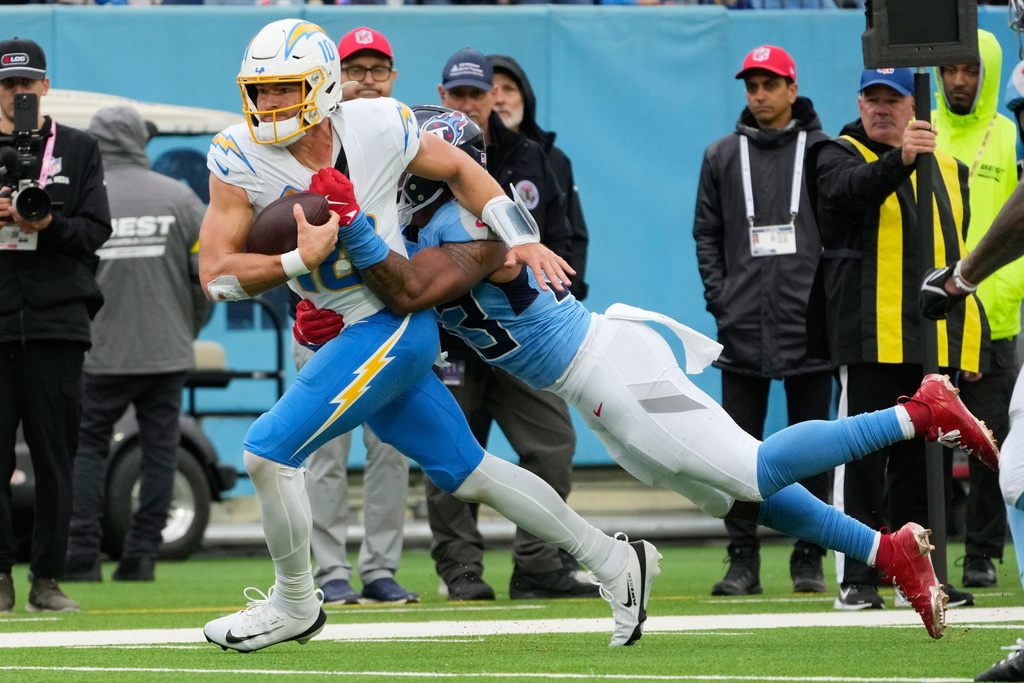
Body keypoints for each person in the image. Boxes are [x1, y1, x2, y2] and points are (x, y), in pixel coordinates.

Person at [294, 104, 1005, 643]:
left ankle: (919, 412)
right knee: (742, 496)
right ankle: (885, 550)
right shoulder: (421, 225)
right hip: (590, 384)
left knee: (754, 471)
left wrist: (345, 249)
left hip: (609, 369)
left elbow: (412, 288)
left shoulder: (462, 226)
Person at [198, 19, 657, 653]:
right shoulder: (235, 154)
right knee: (471, 471)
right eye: (261, 90)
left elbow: (465, 173)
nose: (270, 104)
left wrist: (520, 233)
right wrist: (295, 267)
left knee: (267, 452)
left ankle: (296, 602)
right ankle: (613, 561)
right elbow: (216, 277)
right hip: (347, 331)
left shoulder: (378, 123)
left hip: (394, 325)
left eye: (285, 89)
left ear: (324, 86)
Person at [806, 67, 989, 612]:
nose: (881, 109)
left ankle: (923, 574)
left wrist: (965, 341)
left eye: (894, 99)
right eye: (872, 99)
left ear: (915, 106)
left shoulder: (951, 170)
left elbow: (958, 259)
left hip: (929, 339)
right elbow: (847, 194)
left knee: (924, 466)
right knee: (862, 460)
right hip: (867, 336)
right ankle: (856, 577)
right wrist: (902, 160)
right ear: (858, 103)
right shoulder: (834, 153)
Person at [432, 47, 595, 601]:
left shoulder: (530, 156)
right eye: (460, 94)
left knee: (553, 444)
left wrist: (558, 301)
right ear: (442, 97)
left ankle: (538, 565)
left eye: (479, 94)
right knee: (450, 452)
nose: (473, 104)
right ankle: (461, 571)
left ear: (493, 98)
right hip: (452, 339)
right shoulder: (423, 157)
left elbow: (563, 236)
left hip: (523, 338)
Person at [692, 45, 833, 597]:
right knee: (736, 452)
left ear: (792, 90)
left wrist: (827, 306)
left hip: (810, 325)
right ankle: (742, 560)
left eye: (770, 84)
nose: (759, 94)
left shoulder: (823, 151)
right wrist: (720, 299)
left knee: (816, 447)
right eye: (752, 85)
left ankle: (810, 557)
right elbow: (706, 232)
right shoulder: (721, 155)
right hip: (742, 324)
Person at [292, 25, 418, 606]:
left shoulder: (407, 139)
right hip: (322, 313)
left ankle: (382, 566)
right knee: (323, 451)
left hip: (391, 314)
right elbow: (262, 237)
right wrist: (295, 298)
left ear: (394, 78)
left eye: (377, 70)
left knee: (391, 451)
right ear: (331, 82)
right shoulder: (295, 138)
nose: (366, 81)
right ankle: (331, 570)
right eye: (354, 70)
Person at [59, 105, 208, 584]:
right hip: (166, 351)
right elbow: (205, 281)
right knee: (160, 451)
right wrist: (185, 330)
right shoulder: (181, 198)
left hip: (97, 352)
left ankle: (81, 555)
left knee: (86, 451)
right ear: (141, 141)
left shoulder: (80, 201)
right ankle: (141, 556)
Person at [0, 37, 112, 612]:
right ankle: (0, 577)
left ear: (45, 86)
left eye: (28, 84)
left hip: (57, 323)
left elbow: (96, 231)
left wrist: (45, 223)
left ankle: (47, 579)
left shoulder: (77, 146)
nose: (19, 93)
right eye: (8, 85)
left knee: (54, 457)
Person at [933, 29, 1024, 591]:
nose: (960, 81)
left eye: (971, 70)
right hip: (936, 310)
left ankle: (983, 552)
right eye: (951, 70)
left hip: (994, 313)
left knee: (997, 445)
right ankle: (931, 550)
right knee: (931, 439)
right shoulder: (925, 129)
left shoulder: (1012, 130)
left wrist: (996, 295)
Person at [487, 53, 589, 301]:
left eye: (509, 89)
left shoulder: (552, 158)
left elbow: (573, 236)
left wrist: (564, 296)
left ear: (526, 98)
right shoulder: (461, 156)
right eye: (490, 90)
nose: (499, 99)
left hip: (543, 299)